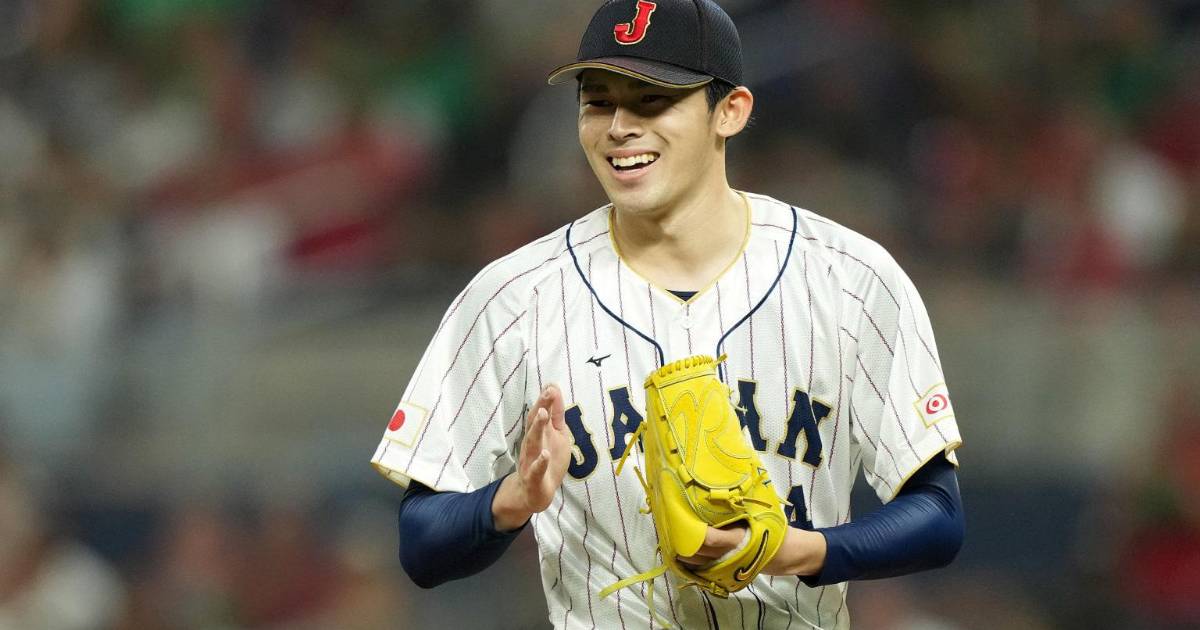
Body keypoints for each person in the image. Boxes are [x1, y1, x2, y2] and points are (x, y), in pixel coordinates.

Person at [370, 1, 965, 627]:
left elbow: (939, 516)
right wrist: (511, 500)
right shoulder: (513, 298)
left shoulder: (849, 279)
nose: (619, 127)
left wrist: (797, 551)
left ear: (730, 111)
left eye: (652, 101)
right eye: (598, 102)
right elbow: (422, 543)